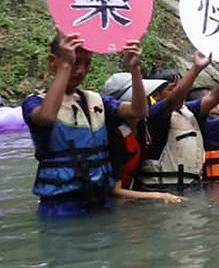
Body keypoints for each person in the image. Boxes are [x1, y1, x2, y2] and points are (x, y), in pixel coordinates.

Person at [22, 32, 148, 217]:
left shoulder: (96, 100)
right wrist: (65, 65)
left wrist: (135, 68)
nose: (80, 70)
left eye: (86, 63)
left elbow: (138, 111)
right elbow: (47, 117)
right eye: (74, 63)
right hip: (60, 207)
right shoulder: (34, 103)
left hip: (100, 201)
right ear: (52, 61)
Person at [136, 52, 219, 191]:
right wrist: (196, 68)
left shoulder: (187, 110)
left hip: (190, 187)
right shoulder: (154, 113)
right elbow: (173, 100)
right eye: (172, 88)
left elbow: (213, 98)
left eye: (181, 86)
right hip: (160, 188)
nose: (181, 90)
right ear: (155, 94)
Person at [102, 71, 182, 204]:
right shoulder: (114, 136)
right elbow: (114, 190)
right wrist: (160, 196)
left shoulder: (142, 126)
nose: (150, 102)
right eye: (146, 97)